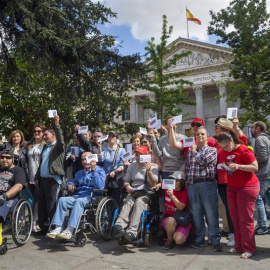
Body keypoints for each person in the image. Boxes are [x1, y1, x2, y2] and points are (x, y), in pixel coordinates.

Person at [217, 132, 259, 258]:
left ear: (231, 140)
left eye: (226, 146)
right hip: (232, 187)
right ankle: (239, 246)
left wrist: (239, 166)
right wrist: (225, 167)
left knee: (245, 219)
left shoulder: (243, 149)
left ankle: (249, 248)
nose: (225, 149)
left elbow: (255, 166)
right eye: (222, 147)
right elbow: (228, 163)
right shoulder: (224, 152)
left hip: (247, 187)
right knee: (235, 218)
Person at [46, 152, 105, 240]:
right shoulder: (79, 173)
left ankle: (70, 229)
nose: (85, 161)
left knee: (79, 201)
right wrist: (70, 185)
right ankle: (58, 228)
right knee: (62, 200)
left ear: (93, 159)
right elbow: (74, 182)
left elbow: (100, 186)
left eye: (87, 159)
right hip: (80, 195)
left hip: (93, 196)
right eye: (82, 159)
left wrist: (93, 171)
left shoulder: (100, 170)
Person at [184, 127, 222, 252]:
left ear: (207, 136)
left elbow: (203, 161)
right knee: (196, 214)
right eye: (198, 134)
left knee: (211, 214)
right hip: (193, 185)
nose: (199, 136)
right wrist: (188, 183)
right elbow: (188, 168)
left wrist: (194, 151)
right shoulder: (191, 151)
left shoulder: (212, 150)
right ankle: (199, 239)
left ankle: (215, 240)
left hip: (207, 184)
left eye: (202, 134)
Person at [112, 146, 158, 243]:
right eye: (136, 155)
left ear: (145, 156)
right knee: (128, 201)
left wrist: (149, 171)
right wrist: (128, 186)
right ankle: (119, 226)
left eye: (140, 155)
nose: (138, 157)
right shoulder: (132, 166)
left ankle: (132, 231)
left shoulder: (153, 167)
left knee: (139, 203)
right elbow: (126, 181)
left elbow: (154, 184)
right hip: (133, 191)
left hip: (146, 192)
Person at [214, 117, 247, 246]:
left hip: (234, 180)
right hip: (222, 181)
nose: (214, 128)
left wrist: (236, 126)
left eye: (217, 127)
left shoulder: (235, 142)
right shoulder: (215, 142)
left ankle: (240, 235)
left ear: (225, 129)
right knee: (229, 209)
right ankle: (233, 234)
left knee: (238, 210)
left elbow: (243, 140)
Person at [34, 115, 65, 234]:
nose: (44, 137)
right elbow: (41, 164)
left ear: (54, 135)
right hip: (43, 180)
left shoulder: (58, 147)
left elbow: (61, 141)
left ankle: (54, 228)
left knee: (52, 205)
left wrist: (57, 125)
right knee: (42, 205)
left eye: (46, 134)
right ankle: (43, 227)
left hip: (53, 180)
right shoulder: (45, 148)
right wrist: (37, 177)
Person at [154, 171, 192, 250]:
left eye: (175, 180)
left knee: (179, 240)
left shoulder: (184, 192)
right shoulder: (168, 187)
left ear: (180, 182)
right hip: (169, 218)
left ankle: (177, 235)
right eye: (171, 179)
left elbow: (181, 207)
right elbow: (161, 184)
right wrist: (158, 185)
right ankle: (169, 240)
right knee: (171, 220)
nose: (173, 181)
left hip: (181, 219)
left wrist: (172, 196)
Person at [25, 124, 46, 232]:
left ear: (42, 132)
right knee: (32, 200)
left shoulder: (45, 145)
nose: (36, 133)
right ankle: (32, 221)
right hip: (30, 176)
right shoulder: (29, 145)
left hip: (41, 176)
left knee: (38, 201)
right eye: (35, 131)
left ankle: (35, 222)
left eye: (39, 131)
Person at [251, 121, 270, 235]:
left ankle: (262, 225)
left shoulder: (259, 139)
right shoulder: (267, 138)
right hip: (267, 174)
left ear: (257, 128)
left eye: (252, 127)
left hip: (262, 174)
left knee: (259, 199)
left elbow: (262, 156)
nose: (251, 129)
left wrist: (252, 162)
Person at [98, 131, 125, 204]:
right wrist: (99, 147)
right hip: (105, 177)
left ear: (116, 138)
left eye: (113, 136)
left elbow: (122, 165)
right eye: (109, 136)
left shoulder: (121, 150)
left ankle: (115, 214)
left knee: (115, 199)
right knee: (105, 198)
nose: (111, 138)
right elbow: (100, 159)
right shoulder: (104, 149)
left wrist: (115, 171)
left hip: (116, 178)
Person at [0, 149, 27, 222]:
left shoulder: (18, 170)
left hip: (11, 197)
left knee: (3, 207)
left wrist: (5, 196)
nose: (4, 159)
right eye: (2, 157)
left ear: (12, 159)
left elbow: (19, 186)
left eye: (8, 157)